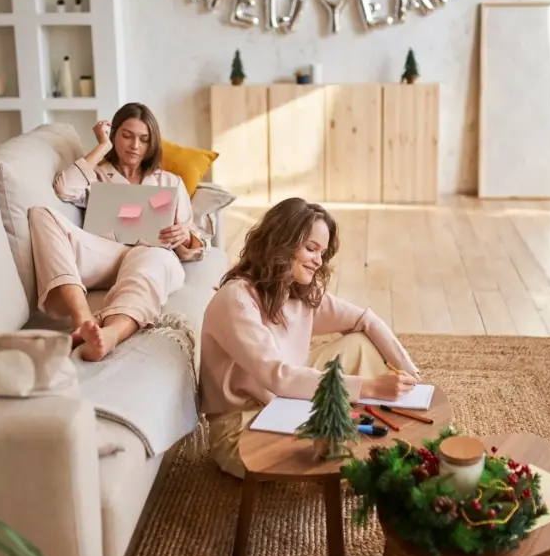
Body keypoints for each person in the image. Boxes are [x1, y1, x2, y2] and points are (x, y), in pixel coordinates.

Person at [199, 197, 419, 478]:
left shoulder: (296, 291)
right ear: (281, 243)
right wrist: (371, 387)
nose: (318, 260)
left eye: (322, 253)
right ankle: (342, 442)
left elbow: (365, 320)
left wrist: (412, 375)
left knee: (361, 344)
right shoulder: (236, 299)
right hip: (242, 429)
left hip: (286, 403)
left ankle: (347, 432)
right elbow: (279, 377)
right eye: (311, 249)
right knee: (336, 451)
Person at [29, 102, 204, 362]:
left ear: (152, 143)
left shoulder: (169, 182)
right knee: (40, 214)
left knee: (153, 256)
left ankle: (110, 334)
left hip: (151, 256)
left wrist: (185, 236)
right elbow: (64, 189)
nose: (135, 146)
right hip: (105, 257)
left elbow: (196, 241)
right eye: (127, 136)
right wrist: (102, 147)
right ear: (114, 136)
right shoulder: (97, 176)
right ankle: (82, 318)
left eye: (144, 139)